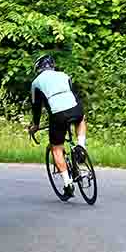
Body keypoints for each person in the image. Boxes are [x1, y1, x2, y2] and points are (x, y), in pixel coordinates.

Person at [27, 54, 87, 200]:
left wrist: (35, 125)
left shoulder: (35, 83)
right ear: (52, 66)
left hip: (58, 114)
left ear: (38, 68)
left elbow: (36, 108)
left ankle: (68, 184)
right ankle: (81, 146)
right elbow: (72, 93)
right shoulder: (64, 75)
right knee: (81, 119)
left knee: (56, 148)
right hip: (75, 108)